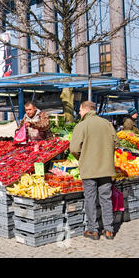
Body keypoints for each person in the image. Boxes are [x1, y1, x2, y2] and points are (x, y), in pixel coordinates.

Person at [70, 101, 120, 240]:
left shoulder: (81, 126)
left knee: (90, 199)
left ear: (85, 110)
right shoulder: (107, 124)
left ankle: (93, 230)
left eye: (79, 110)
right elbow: (116, 144)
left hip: (89, 169)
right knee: (106, 199)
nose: (79, 113)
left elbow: (74, 149)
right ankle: (109, 230)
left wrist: (82, 157)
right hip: (106, 168)